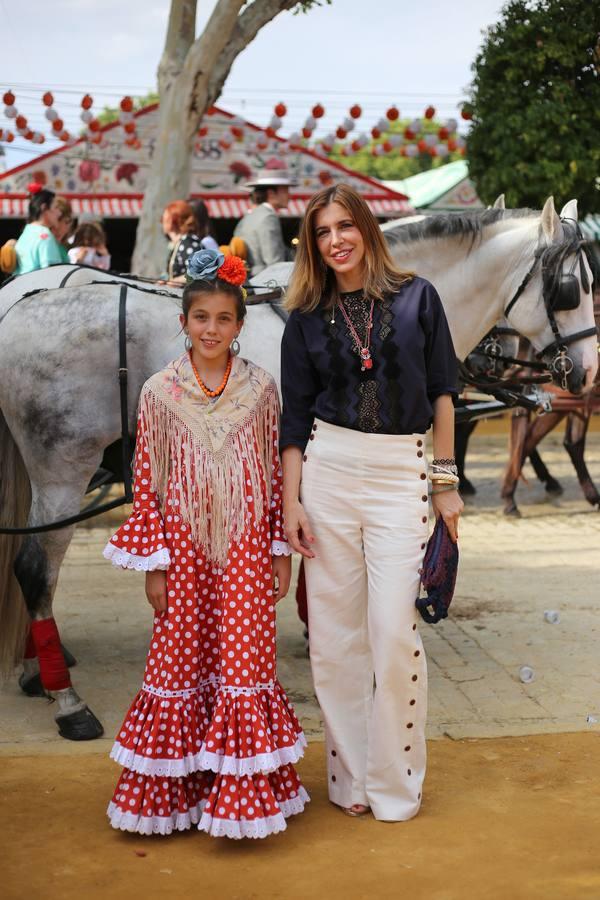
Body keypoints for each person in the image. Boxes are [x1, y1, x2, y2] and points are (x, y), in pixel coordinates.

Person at [103, 248, 308, 839]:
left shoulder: (262, 390)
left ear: (240, 326)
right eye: (201, 319)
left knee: (245, 661)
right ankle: (178, 792)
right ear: (184, 322)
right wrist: (153, 565)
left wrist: (277, 552)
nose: (211, 329)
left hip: (245, 549)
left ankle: (240, 797)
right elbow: (146, 482)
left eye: (223, 319)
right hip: (183, 550)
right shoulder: (159, 392)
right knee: (180, 658)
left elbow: (274, 476)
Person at [280, 183, 463, 822]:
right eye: (322, 232)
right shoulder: (302, 315)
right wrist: (291, 502)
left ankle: (396, 783)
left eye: (344, 226)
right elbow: (293, 420)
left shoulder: (418, 297)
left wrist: (445, 482)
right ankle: (351, 781)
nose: (335, 240)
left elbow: (443, 394)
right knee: (333, 641)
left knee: (391, 635)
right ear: (312, 243)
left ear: (366, 228)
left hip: (399, 475)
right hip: (326, 474)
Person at [233, 175, 294, 277]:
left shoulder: (249, 216)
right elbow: (274, 261)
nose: (289, 195)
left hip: (251, 280)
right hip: (265, 284)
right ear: (271, 193)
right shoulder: (268, 217)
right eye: (285, 191)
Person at [14, 184, 69, 274]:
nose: (59, 213)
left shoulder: (26, 233)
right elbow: (52, 275)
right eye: (55, 207)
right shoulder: (45, 236)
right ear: (44, 208)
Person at [161, 200, 205, 283]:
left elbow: (199, 273)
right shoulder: (182, 243)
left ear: (172, 222)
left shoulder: (188, 243)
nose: (161, 222)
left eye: (163, 219)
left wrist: (174, 281)